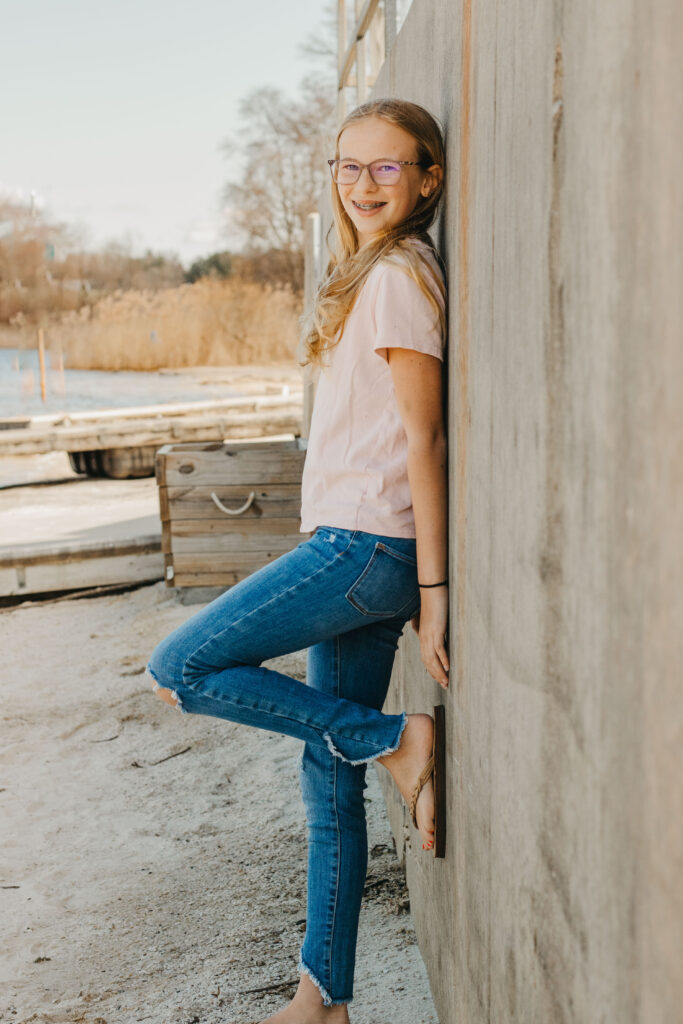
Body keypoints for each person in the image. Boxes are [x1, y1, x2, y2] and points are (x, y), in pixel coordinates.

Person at [146, 96, 449, 1024]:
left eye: (386, 167)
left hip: (364, 548)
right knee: (326, 777)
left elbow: (424, 441)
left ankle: (393, 737)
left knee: (180, 665)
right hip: (357, 545)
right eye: (347, 167)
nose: (363, 185)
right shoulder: (369, 273)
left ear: (426, 178)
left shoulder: (397, 277)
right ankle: (321, 1000)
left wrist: (431, 594)